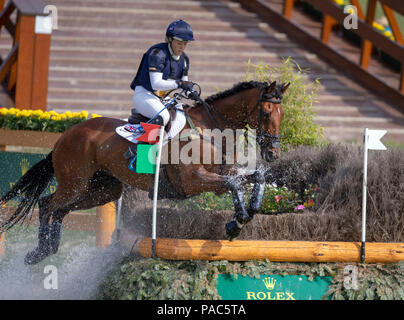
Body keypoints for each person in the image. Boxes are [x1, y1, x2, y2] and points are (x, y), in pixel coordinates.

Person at [129, 19, 194, 140]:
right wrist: (179, 83)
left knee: (183, 116)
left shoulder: (184, 59)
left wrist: (191, 92)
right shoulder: (157, 53)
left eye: (185, 44)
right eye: (179, 43)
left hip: (163, 98)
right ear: (170, 39)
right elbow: (156, 84)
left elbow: (185, 83)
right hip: (145, 94)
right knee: (163, 116)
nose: (182, 47)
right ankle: (142, 155)